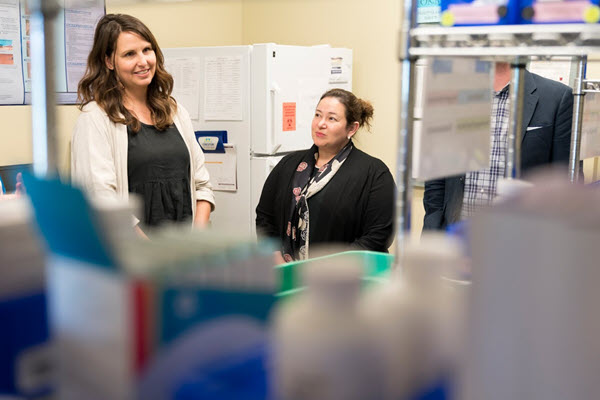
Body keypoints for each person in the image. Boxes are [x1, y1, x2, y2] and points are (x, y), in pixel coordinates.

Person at [71, 14, 214, 235]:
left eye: (147, 50)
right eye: (129, 54)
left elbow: (202, 186)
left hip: (185, 255)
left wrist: (195, 242)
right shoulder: (95, 119)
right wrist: (149, 256)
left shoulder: (175, 112)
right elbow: (102, 201)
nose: (143, 61)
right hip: (134, 257)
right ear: (109, 62)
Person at [423, 62, 574, 230]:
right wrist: (433, 231)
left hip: (521, 240)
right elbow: (436, 177)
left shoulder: (556, 97)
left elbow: (563, 183)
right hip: (457, 235)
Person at [256, 88, 395, 262]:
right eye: (317, 115)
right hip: (287, 273)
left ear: (351, 128)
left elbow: (378, 235)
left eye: (331, 118)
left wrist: (329, 269)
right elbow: (265, 216)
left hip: (345, 279)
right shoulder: (289, 164)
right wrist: (276, 256)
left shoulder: (374, 174)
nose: (321, 124)